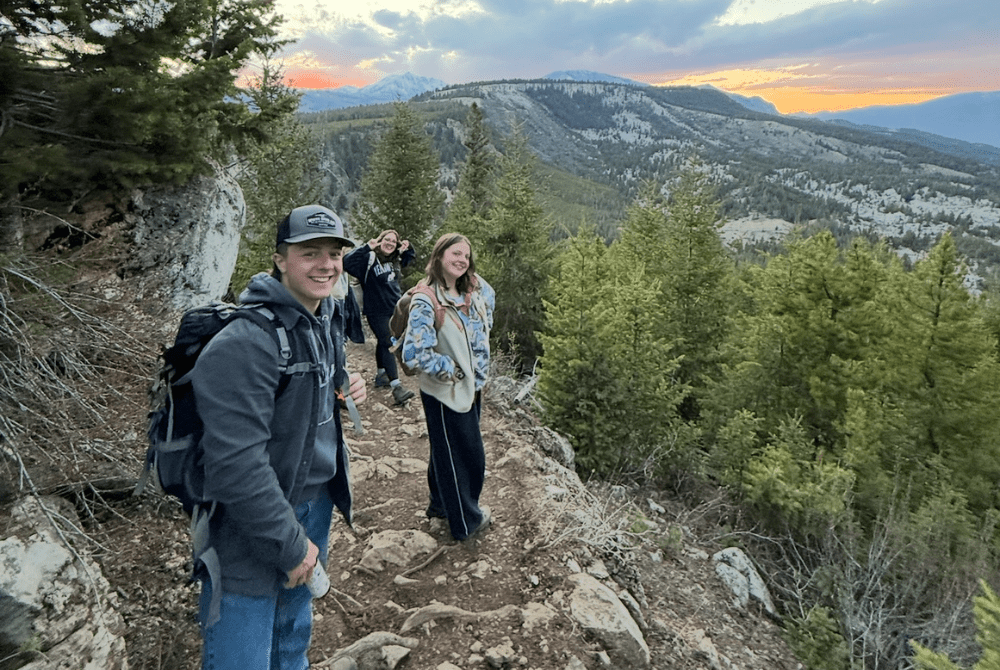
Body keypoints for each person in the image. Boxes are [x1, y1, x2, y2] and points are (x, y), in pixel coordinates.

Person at [190, 204, 366, 670]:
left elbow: (316, 383)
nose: (325, 264)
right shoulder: (246, 343)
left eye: (334, 252)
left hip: (313, 504)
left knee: (290, 641)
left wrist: (341, 388)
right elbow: (234, 466)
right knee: (242, 654)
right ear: (279, 258)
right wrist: (290, 545)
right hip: (253, 520)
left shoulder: (322, 316)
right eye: (309, 252)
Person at [399, 233, 496, 542]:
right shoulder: (427, 300)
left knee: (445, 449)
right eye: (455, 253)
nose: (461, 259)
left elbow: (485, 317)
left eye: (466, 255)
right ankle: (466, 522)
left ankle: (440, 505)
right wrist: (452, 372)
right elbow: (415, 354)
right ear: (439, 256)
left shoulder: (470, 291)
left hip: (472, 386)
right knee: (466, 456)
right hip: (446, 391)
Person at [344, 229, 417, 405]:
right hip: (375, 311)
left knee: (383, 343)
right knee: (388, 342)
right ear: (380, 240)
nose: (390, 243)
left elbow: (410, 257)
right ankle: (397, 388)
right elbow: (346, 263)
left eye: (394, 241)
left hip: (395, 309)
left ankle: (381, 375)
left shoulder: (395, 260)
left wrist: (408, 247)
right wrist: (366, 247)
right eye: (387, 240)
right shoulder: (368, 260)